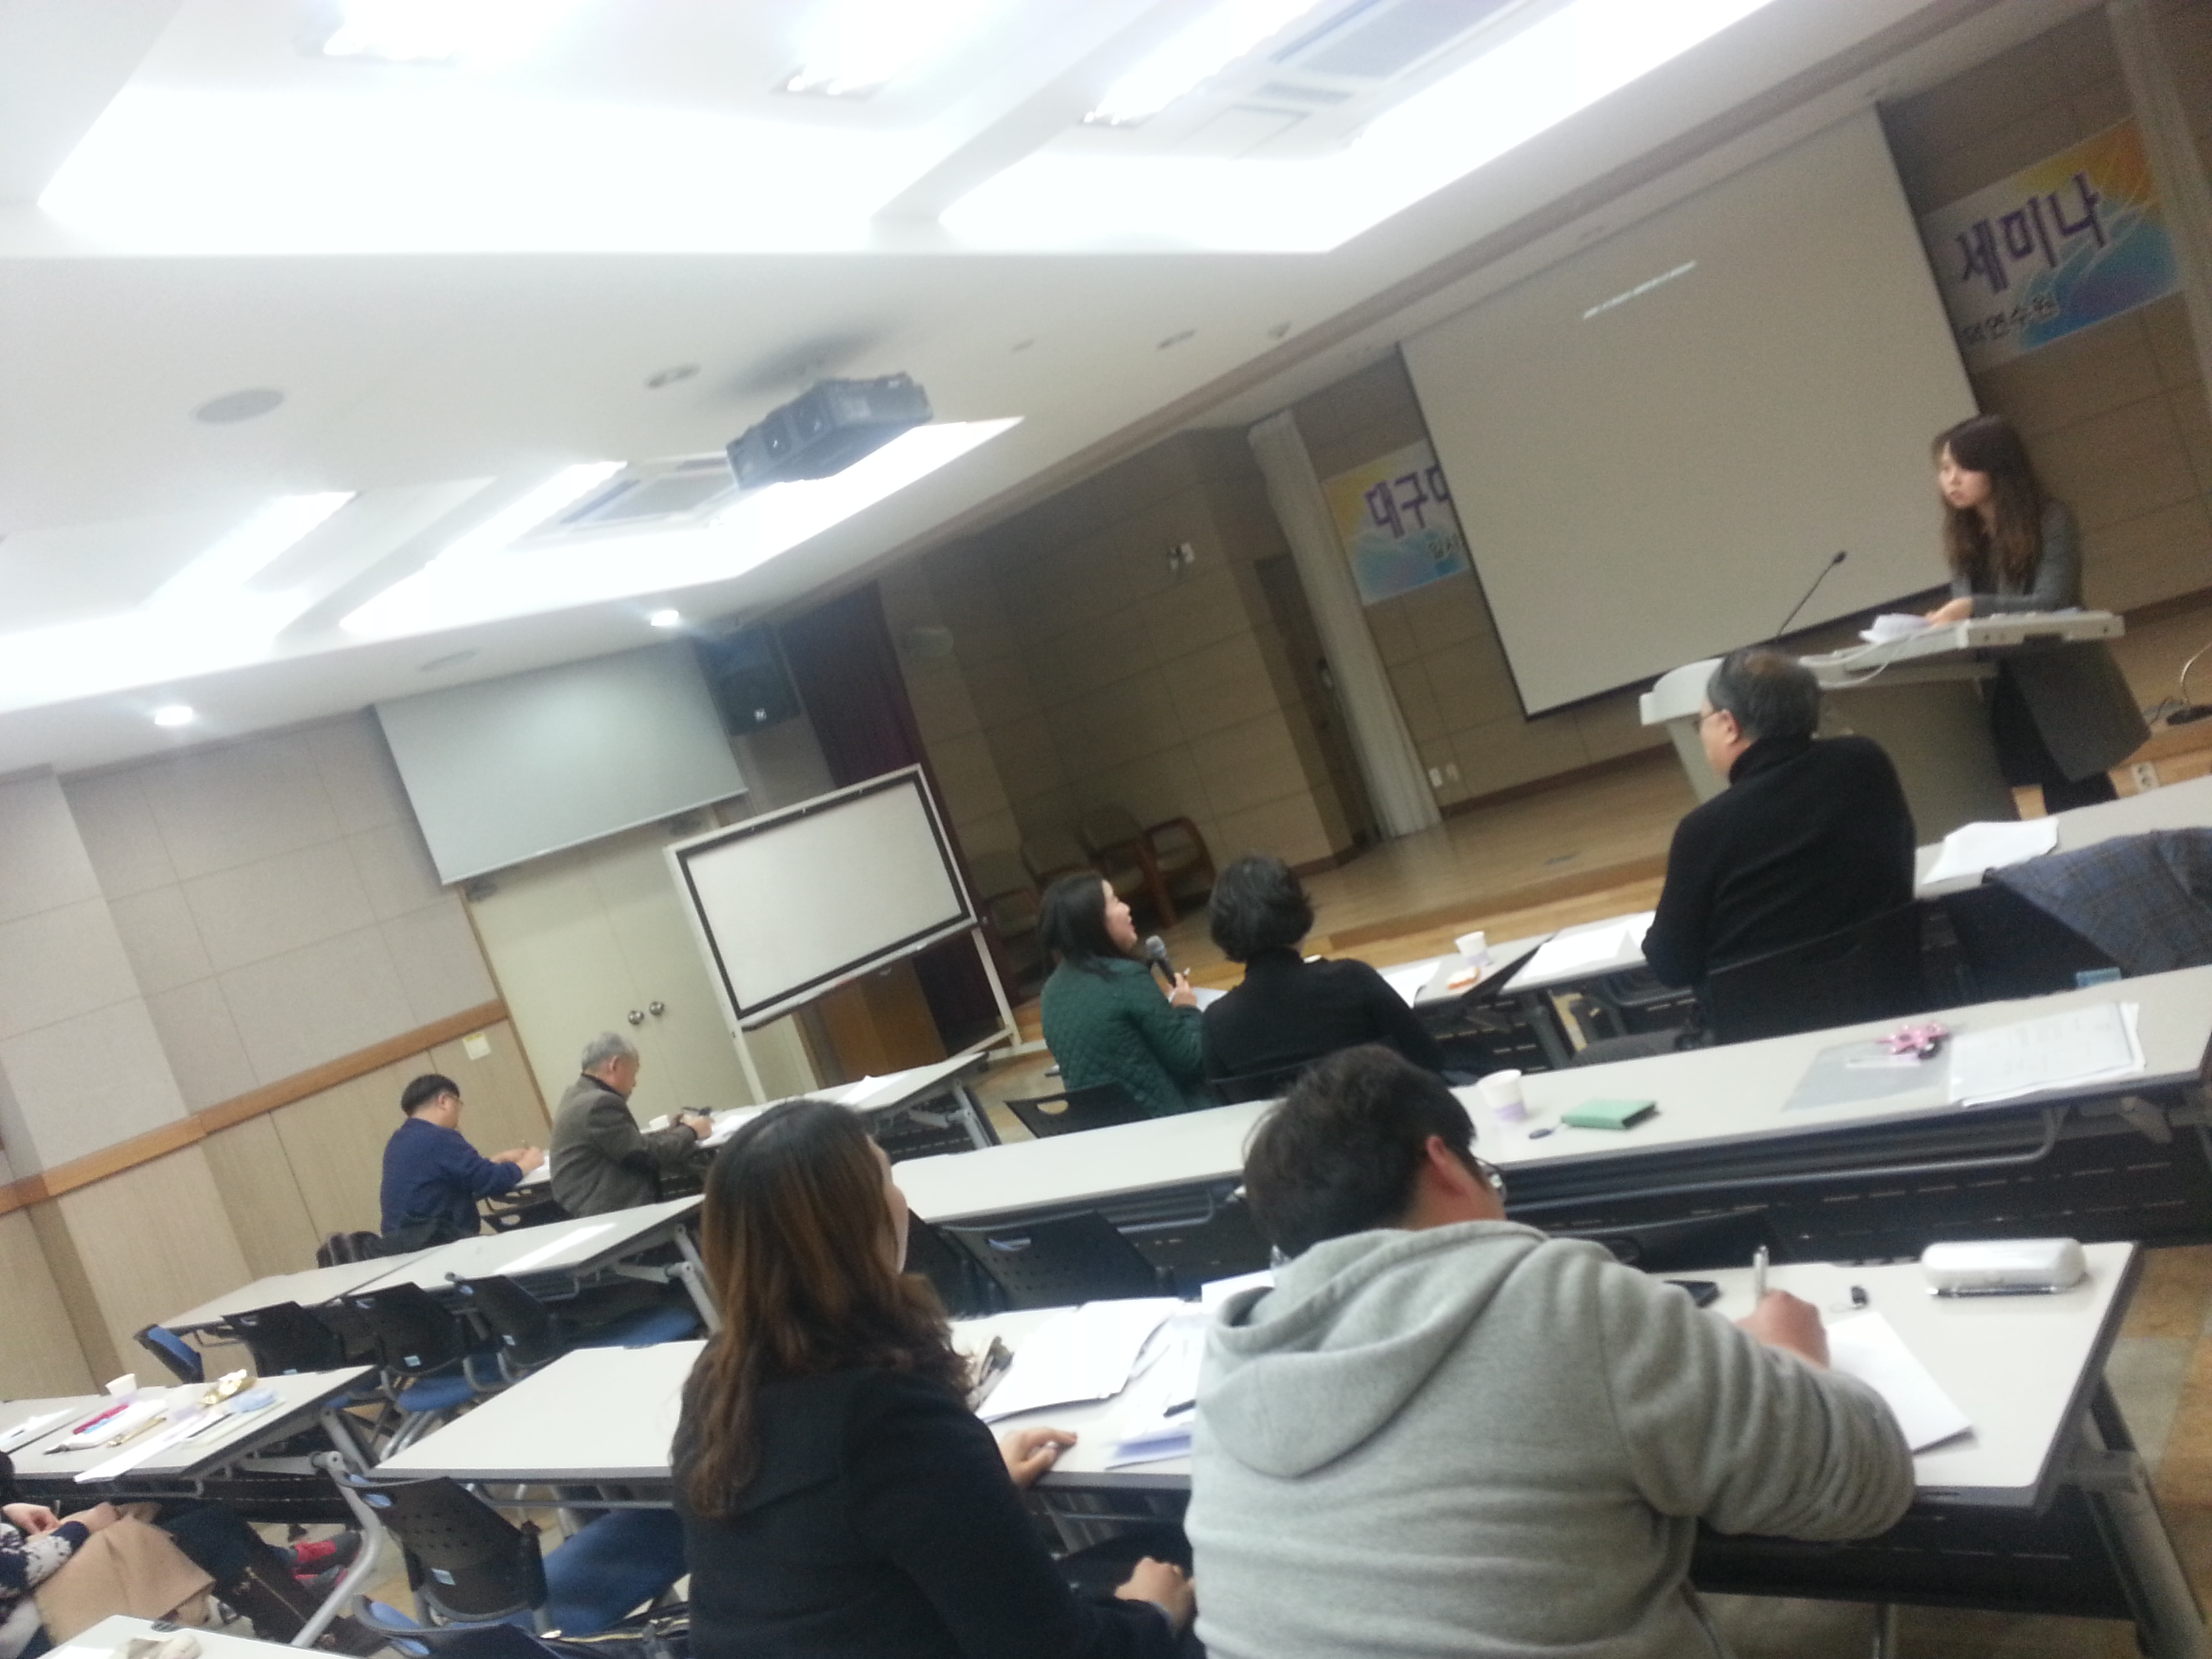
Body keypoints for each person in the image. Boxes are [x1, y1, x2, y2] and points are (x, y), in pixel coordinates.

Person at [1185, 1046, 1915, 1659]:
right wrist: (1794, 1357)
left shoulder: (1228, 1365)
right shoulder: (1561, 1298)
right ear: (1443, 1161)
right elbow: (1863, 1484)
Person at [674, 1098, 1193, 1659]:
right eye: (886, 1179)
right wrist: (1152, 1612)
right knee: (1184, 1553)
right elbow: (1055, 1650)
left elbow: (824, 1539)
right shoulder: (888, 1415)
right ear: (856, 1225)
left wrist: (975, 1490)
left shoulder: (718, 1381)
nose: (901, 1199)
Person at [1641, 646, 1915, 991]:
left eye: (1701, 723)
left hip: (1766, 1019)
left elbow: (1672, 967)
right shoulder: (1865, 762)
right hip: (1893, 995)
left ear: (1729, 725)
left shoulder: (1706, 829)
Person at [1925, 413, 2147, 811]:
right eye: (1944, 469)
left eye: (1964, 467)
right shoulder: (1964, 535)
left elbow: (2053, 603)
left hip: (2058, 683)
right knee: (2046, 796)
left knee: (2081, 795)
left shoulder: (2050, 520)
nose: (1952, 480)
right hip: (2005, 687)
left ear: (1998, 467)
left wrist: (1973, 608)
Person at [1200, 855, 1446, 1087]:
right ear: (1297, 910)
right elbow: (1430, 1060)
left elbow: (1226, 1106)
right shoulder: (1352, 979)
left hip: (1291, 1122)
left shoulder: (1216, 1022)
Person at [1037, 875, 1210, 1118]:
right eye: (1116, 901)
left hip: (1105, 1131)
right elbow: (1190, 1062)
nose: (1127, 908)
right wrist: (1186, 1009)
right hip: (1164, 1123)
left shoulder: (1050, 992)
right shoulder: (1126, 977)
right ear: (1094, 921)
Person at [550, 1033, 713, 1216]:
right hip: (612, 1210)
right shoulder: (598, 1103)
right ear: (615, 1065)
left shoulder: (576, 1095)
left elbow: (626, 1144)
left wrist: (672, 1132)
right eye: (634, 1074)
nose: (635, 1083)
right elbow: (647, 1156)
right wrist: (692, 1131)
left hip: (589, 1203)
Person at [378, 1073, 544, 1253]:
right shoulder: (439, 1137)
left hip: (404, 1245)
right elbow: (490, 1181)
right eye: (458, 1103)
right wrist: (526, 1164)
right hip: (438, 1244)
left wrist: (495, 1161)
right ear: (444, 1101)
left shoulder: (399, 1140)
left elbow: (448, 1179)